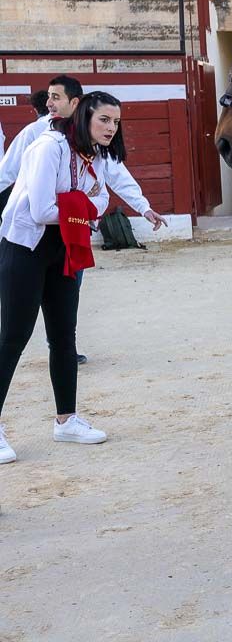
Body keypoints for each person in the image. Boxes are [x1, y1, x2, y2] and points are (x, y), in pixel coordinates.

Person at [0, 92, 132, 464]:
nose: (111, 128)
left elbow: (103, 200)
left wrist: (81, 205)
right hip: (25, 246)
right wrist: (79, 205)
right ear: (86, 116)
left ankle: (66, 419)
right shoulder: (49, 147)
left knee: (63, 337)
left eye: (116, 122)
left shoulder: (97, 154)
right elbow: (41, 210)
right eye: (104, 119)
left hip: (64, 246)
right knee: (12, 337)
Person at [0, 76, 166, 366]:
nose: (48, 103)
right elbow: (9, 171)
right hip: (31, 237)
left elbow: (112, 182)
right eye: (49, 97)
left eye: (56, 97)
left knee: (65, 308)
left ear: (76, 104)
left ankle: (62, 346)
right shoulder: (38, 134)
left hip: (70, 237)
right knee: (16, 330)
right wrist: (79, 205)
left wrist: (143, 206)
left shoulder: (96, 142)